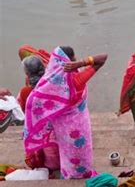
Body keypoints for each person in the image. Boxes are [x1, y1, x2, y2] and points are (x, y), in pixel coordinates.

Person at [24, 46, 107, 179]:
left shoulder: (50, 82)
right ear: (71, 60)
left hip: (62, 128)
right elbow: (103, 58)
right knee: (81, 150)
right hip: (79, 125)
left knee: (67, 152)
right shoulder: (77, 79)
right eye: (74, 58)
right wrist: (81, 63)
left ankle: (69, 173)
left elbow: (32, 101)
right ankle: (82, 173)